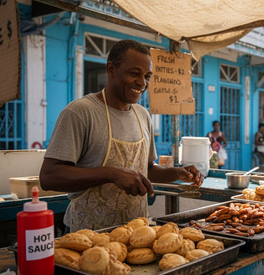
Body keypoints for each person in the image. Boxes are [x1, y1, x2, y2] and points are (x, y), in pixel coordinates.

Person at [40, 40, 204, 232]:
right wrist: (111, 173)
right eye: (134, 73)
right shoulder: (81, 112)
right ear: (111, 69)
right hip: (90, 235)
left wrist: (176, 172)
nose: (142, 83)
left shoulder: (142, 115)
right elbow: (49, 176)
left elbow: (147, 170)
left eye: (147, 76)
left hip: (136, 232)